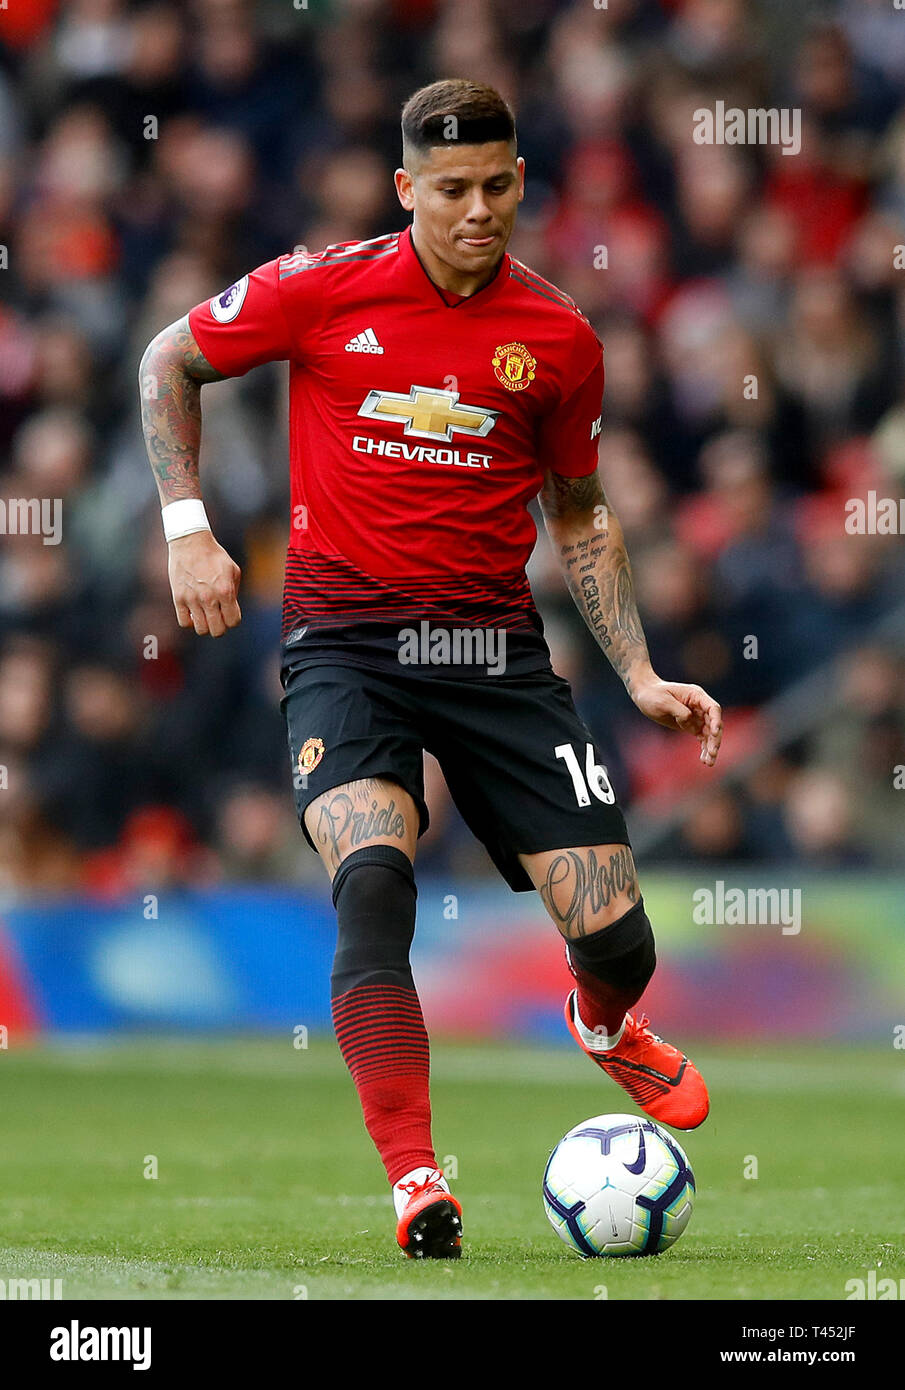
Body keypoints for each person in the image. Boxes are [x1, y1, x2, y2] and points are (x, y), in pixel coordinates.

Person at [139, 79, 722, 1261]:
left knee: (618, 938)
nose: (476, 210)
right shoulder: (320, 287)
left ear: (520, 183)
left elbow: (582, 515)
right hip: (344, 645)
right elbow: (167, 359)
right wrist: (186, 525)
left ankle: (602, 1024)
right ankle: (414, 1174)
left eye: (496, 186)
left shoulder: (557, 336)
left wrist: (640, 670)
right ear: (406, 189)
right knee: (372, 879)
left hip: (491, 651)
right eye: (449, 189)